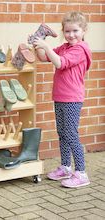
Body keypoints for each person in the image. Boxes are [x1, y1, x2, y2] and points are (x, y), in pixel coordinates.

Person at [33, 11, 92, 188]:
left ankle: (81, 173)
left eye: (75, 31)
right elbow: (44, 57)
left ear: (83, 31)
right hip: (60, 97)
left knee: (72, 134)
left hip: (72, 98)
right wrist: (38, 43)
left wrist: (45, 44)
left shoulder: (80, 50)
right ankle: (66, 167)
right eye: (67, 31)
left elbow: (59, 63)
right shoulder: (65, 47)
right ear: (63, 32)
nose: (71, 35)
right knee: (62, 133)